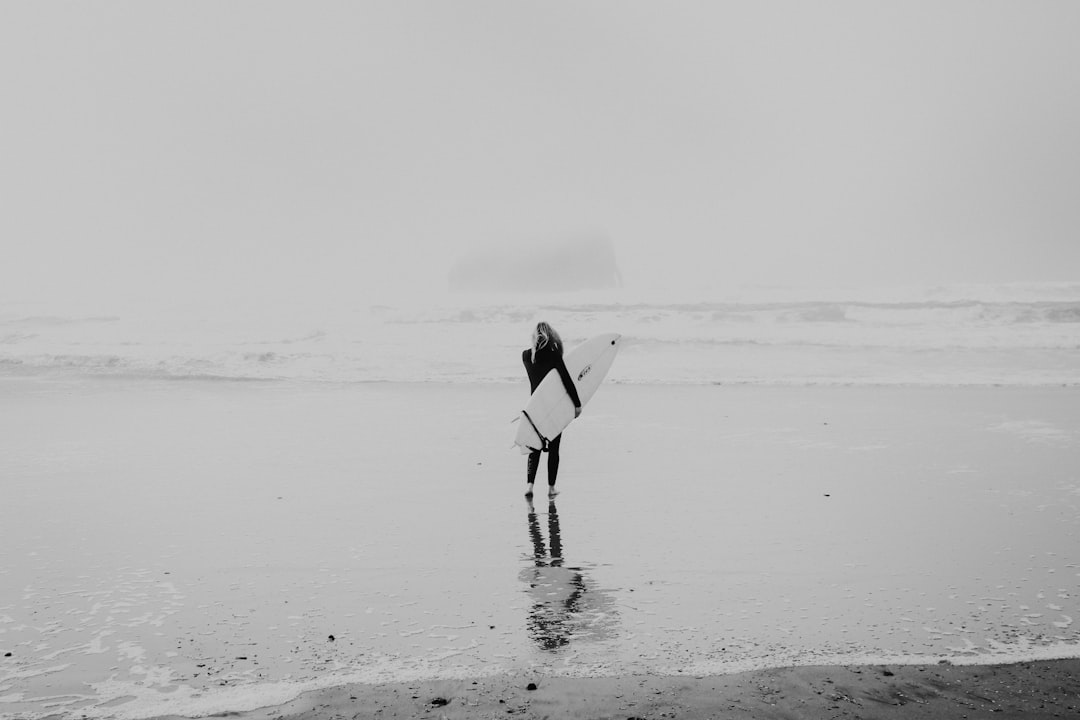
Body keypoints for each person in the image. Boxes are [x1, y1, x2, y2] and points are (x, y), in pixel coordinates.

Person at [522, 322, 582, 499]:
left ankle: (530, 487)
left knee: (535, 448)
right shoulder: (554, 356)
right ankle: (551, 488)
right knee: (554, 449)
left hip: (534, 407)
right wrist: (577, 404)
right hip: (554, 408)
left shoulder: (526, 356)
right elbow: (567, 381)